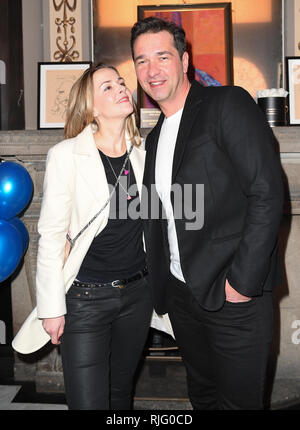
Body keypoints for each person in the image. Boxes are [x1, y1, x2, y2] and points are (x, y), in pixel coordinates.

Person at [131, 17, 284, 410]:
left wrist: (243, 284)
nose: (152, 70)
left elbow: (266, 193)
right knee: (202, 397)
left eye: (162, 57)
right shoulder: (156, 135)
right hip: (183, 297)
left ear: (184, 61)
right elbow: (160, 214)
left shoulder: (226, 103)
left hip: (233, 294)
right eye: (142, 60)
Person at [12, 63, 153, 410]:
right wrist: (50, 308)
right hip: (85, 300)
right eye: (108, 87)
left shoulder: (144, 156)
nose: (122, 88)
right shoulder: (66, 156)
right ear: (90, 108)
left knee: (121, 394)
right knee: (88, 403)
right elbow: (50, 236)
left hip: (138, 295)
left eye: (121, 82)